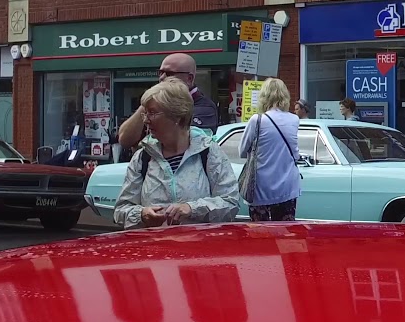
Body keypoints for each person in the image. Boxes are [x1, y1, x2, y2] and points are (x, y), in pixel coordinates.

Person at [113, 79, 240, 229]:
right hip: (155, 243)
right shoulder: (143, 157)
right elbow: (120, 211)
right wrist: (142, 214)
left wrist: (191, 209)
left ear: (177, 116)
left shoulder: (208, 152)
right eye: (145, 114)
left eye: (152, 113)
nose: (146, 120)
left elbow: (230, 202)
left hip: (198, 243)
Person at [117, 53, 219, 148]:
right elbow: (125, 140)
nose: (162, 78)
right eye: (160, 72)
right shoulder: (154, 103)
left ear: (189, 78)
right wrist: (148, 103)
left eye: (170, 74)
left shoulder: (204, 107)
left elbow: (190, 143)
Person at [239, 78, 302, 221]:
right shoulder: (294, 119)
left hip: (260, 187)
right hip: (287, 186)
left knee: (261, 232)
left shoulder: (257, 120)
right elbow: (295, 153)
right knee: (285, 231)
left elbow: (242, 151)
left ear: (263, 97)